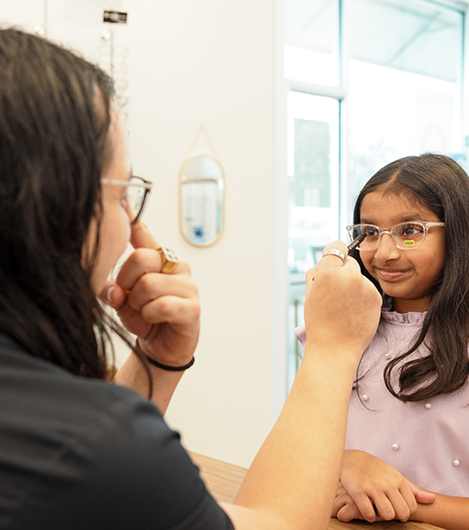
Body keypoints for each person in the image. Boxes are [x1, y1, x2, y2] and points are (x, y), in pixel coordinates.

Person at [0, 28, 382, 529]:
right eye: (122, 195)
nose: (134, 227)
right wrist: (331, 346)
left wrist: (158, 362)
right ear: (54, 201)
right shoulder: (85, 442)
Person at [296, 153, 469, 530]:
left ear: (457, 232)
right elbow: (295, 460)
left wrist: (400, 502)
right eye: (370, 232)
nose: (385, 252)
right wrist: (346, 463)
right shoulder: (343, 330)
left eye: (410, 230)